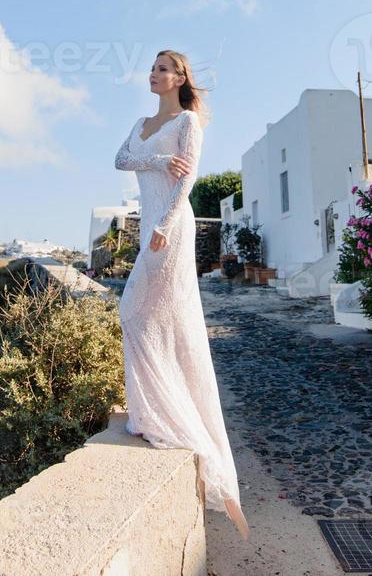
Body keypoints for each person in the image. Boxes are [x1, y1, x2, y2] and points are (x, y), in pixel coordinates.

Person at [113, 49, 249, 539]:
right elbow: (120, 159)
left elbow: (187, 178)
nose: (154, 74)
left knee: (135, 311)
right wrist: (155, 158)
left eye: (162, 69)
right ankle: (151, 412)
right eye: (151, 68)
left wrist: (167, 225)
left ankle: (170, 417)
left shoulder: (190, 121)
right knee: (146, 318)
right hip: (151, 223)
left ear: (180, 78)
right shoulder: (142, 122)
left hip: (170, 228)